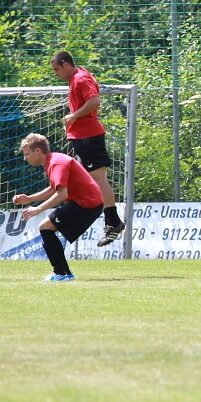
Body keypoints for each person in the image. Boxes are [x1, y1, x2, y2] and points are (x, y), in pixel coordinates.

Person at [50, 51, 124, 247]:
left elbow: (94, 101)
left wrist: (74, 116)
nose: (56, 73)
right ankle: (108, 221)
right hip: (83, 137)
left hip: (88, 137)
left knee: (98, 180)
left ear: (66, 64)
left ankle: (113, 222)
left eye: (56, 69)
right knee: (89, 182)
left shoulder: (80, 78)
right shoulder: (77, 77)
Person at [13, 133, 104, 281]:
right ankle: (64, 273)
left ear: (38, 151)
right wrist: (30, 199)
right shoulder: (53, 160)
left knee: (45, 227)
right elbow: (54, 189)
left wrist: (38, 209)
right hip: (89, 203)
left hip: (87, 203)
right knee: (46, 228)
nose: (25, 158)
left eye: (27, 154)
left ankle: (61, 273)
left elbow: (62, 194)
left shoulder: (56, 163)